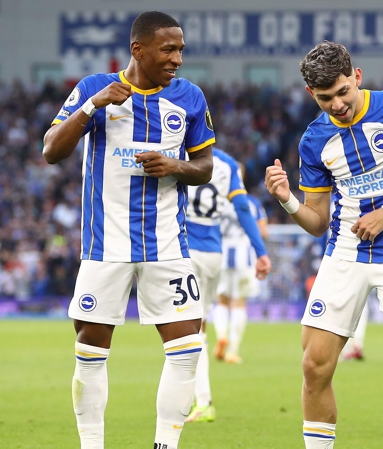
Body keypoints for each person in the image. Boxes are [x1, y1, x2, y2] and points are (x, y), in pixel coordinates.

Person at [265, 41, 383, 449]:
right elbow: (316, 222)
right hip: (344, 256)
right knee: (314, 367)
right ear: (310, 96)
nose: (336, 105)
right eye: (324, 98)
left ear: (357, 77)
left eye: (342, 92)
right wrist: (286, 199)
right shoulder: (314, 140)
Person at [42, 11, 215, 449]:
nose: (177, 58)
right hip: (106, 246)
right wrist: (92, 106)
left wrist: (176, 165)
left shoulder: (190, 97)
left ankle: (165, 445)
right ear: (138, 49)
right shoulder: (92, 88)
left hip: (168, 245)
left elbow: (205, 167)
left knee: (187, 349)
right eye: (168, 49)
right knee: (90, 350)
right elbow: (51, 151)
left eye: (180, 49)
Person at [185, 149, 271, 422]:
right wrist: (261, 251)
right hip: (214, 254)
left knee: (185, 330)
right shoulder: (228, 164)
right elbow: (243, 208)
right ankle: (202, 394)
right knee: (199, 325)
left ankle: (201, 400)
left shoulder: (175, 150)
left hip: (183, 248)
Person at [212, 188, 270, 365]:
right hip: (244, 258)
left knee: (221, 300)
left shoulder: (218, 200)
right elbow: (264, 232)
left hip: (220, 255)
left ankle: (221, 336)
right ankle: (232, 350)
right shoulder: (252, 202)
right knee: (239, 302)